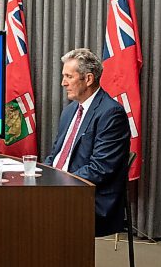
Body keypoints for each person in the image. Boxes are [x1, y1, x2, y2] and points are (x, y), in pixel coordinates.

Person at [44, 48, 131, 237]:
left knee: (30, 211)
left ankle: (52, 264)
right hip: (61, 188)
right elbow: (56, 155)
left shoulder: (111, 114)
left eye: (69, 76)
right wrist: (39, 174)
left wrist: (55, 182)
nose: (63, 83)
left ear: (89, 79)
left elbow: (100, 168)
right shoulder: (70, 111)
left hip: (91, 197)